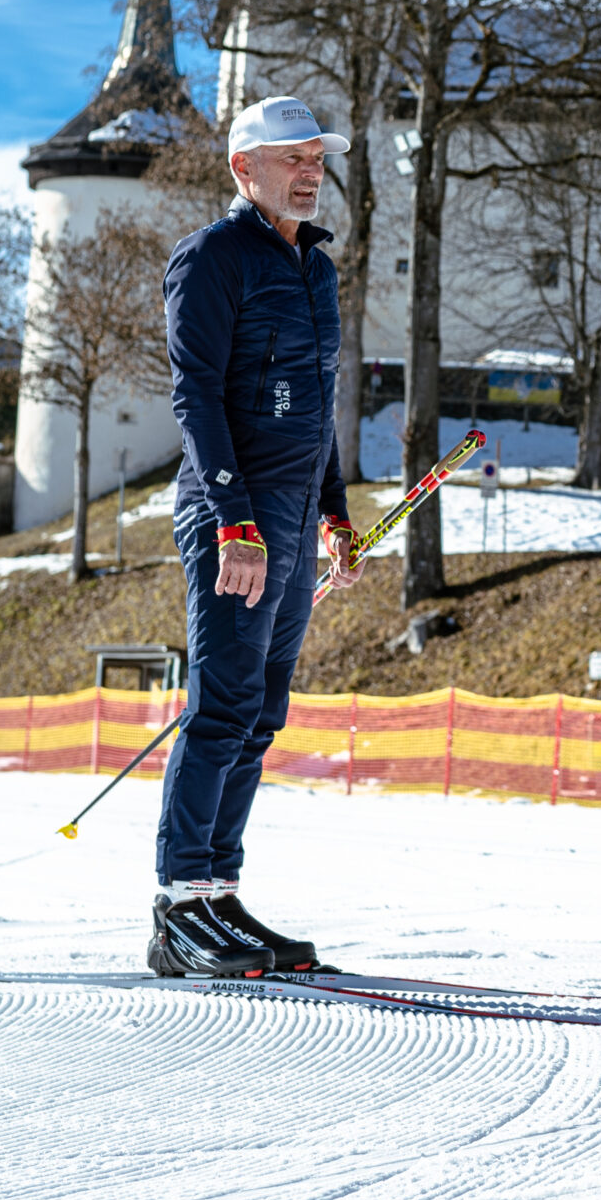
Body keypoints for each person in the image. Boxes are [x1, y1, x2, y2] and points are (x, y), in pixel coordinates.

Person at [149, 96, 365, 977]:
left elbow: (317, 408)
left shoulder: (317, 270)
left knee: (262, 714)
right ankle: (178, 904)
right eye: (292, 158)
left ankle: (220, 892)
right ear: (245, 168)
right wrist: (234, 516)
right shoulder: (210, 258)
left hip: (288, 517)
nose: (310, 171)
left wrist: (336, 510)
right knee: (224, 704)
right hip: (230, 514)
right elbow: (195, 394)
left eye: (317, 158)